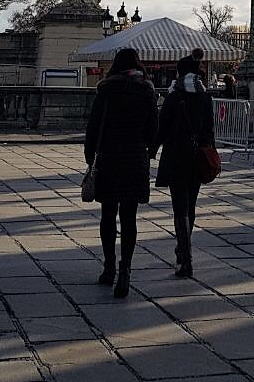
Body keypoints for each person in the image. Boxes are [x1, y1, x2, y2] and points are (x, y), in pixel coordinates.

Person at [84, 47, 158, 298]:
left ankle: (109, 267)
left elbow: (94, 127)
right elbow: (152, 131)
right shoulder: (146, 91)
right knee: (129, 217)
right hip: (135, 158)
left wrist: (90, 158)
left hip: (110, 157)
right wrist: (146, 149)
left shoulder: (106, 89)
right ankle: (126, 269)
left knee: (108, 215)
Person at [152, 54, 215, 279]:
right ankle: (183, 247)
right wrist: (211, 152)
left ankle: (185, 257)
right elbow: (210, 129)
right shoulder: (205, 97)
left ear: (180, 72)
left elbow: (162, 128)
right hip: (197, 157)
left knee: (179, 206)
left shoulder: (174, 96)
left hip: (176, 157)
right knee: (191, 204)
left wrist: (152, 150)